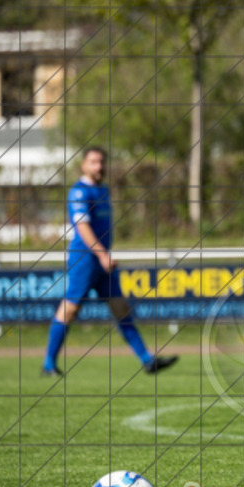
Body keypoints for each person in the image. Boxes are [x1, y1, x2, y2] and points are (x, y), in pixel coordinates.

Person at [42, 147, 178, 376]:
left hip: (101, 260)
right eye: (93, 162)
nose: (99, 166)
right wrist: (102, 255)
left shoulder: (103, 190)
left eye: (101, 161)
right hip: (85, 259)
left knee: (120, 307)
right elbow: (83, 227)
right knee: (70, 309)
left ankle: (147, 360)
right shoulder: (79, 192)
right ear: (83, 165)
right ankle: (48, 364)